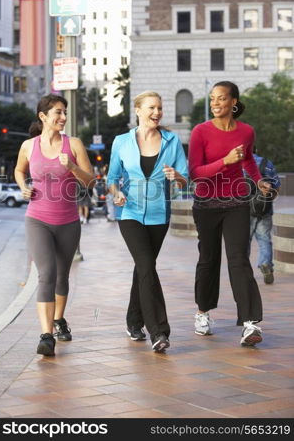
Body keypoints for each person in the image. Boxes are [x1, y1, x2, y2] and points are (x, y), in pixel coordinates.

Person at [188, 81, 271, 347]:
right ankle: (202, 312)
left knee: (239, 259)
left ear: (233, 102)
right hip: (206, 203)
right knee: (209, 259)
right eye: (212, 99)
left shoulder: (246, 131)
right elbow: (195, 172)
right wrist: (225, 161)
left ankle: (249, 322)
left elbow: (247, 160)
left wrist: (258, 180)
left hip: (236, 201)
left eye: (221, 99)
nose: (215, 103)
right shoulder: (200, 132)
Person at [107, 91, 188, 352]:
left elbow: (185, 179)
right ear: (139, 111)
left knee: (144, 267)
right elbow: (111, 179)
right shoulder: (121, 141)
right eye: (152, 107)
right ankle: (159, 332)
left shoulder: (171, 140)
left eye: (160, 108)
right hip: (129, 213)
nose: (157, 112)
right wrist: (116, 193)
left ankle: (133, 321)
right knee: (145, 265)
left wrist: (176, 175)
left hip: (159, 214)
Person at [15, 94, 94, 357]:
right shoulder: (29, 146)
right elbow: (18, 170)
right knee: (46, 274)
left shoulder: (74, 144)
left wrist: (71, 166)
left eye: (65, 113)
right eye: (58, 113)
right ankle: (46, 335)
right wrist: (23, 186)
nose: (63, 118)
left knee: (62, 275)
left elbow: (90, 182)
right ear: (43, 117)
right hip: (37, 219)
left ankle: (59, 319)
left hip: (68, 221)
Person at [249, 148, 281, 284]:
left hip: (243, 211)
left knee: (244, 241)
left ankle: (243, 271)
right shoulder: (266, 163)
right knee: (264, 239)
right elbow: (276, 185)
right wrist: (268, 200)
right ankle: (266, 263)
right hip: (264, 209)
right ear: (255, 149)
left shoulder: (237, 164)